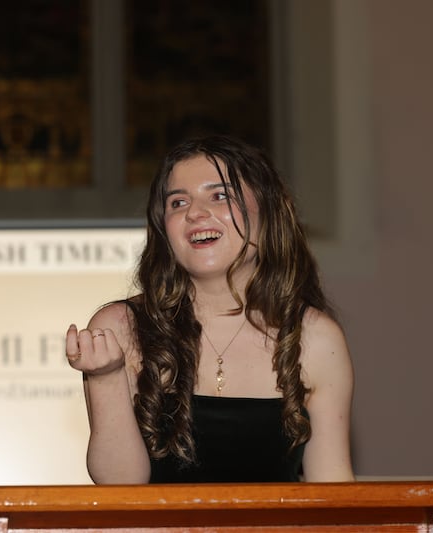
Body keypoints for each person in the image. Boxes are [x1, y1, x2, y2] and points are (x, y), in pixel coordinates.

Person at [66, 135, 354, 483]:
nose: (195, 213)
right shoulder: (121, 326)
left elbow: (333, 492)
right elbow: (120, 487)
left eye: (219, 196)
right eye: (178, 202)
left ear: (268, 211)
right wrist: (105, 377)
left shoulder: (316, 338)